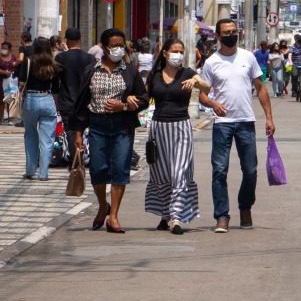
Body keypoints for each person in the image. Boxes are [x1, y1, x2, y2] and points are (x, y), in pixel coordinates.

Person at [199, 18, 276, 233]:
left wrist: (269, 117)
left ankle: (245, 207)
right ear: (218, 36)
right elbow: (203, 95)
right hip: (222, 124)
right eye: (226, 32)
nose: (231, 35)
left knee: (250, 170)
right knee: (219, 170)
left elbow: (260, 88)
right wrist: (213, 104)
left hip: (245, 121)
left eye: (233, 31)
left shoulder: (247, 57)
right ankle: (222, 216)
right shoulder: (211, 62)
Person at [70, 28, 149, 233]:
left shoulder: (129, 70)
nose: (118, 49)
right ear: (104, 47)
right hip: (97, 126)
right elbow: (81, 103)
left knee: (121, 169)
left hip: (122, 126)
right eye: (114, 45)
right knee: (98, 169)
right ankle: (102, 205)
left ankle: (113, 216)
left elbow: (143, 99)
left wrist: (126, 105)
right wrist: (78, 132)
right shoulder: (91, 70)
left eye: (121, 45)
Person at [145, 39, 211, 234]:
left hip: (181, 127)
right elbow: (144, 97)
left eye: (181, 51)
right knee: (161, 173)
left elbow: (208, 89)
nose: (178, 54)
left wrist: (198, 81)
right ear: (165, 53)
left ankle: (176, 217)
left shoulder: (188, 73)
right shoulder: (154, 76)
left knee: (179, 173)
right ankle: (165, 215)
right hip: (158, 128)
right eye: (175, 51)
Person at [18, 37, 60, 181]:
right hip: (47, 99)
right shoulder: (53, 64)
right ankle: (43, 173)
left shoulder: (28, 61)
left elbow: (22, 82)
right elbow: (55, 89)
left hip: (31, 99)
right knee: (47, 139)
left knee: (30, 134)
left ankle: (30, 170)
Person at [56, 28, 96, 161]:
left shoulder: (61, 57)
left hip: (67, 100)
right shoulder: (90, 58)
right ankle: (87, 157)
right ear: (80, 39)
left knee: (71, 132)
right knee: (87, 131)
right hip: (86, 101)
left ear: (66, 40)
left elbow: (56, 81)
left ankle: (76, 162)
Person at [0, 42, 17, 122]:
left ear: (9, 49)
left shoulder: (13, 57)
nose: (3, 50)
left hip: (10, 81)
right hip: (1, 80)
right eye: (2, 48)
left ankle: (10, 119)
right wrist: (4, 72)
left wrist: (11, 72)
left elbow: (16, 67)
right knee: (1, 100)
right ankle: (1, 118)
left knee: (10, 99)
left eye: (5, 48)